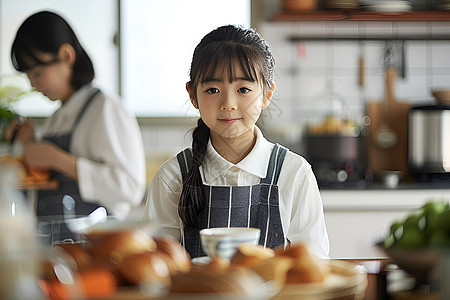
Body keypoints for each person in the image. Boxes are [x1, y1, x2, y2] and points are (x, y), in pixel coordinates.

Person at [145, 24, 329, 259]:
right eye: (212, 90)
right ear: (193, 95)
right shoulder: (172, 177)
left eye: (243, 89)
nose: (228, 103)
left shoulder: (293, 173)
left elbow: (314, 263)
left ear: (266, 94)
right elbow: (158, 264)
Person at [7, 11, 146, 238]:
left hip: (94, 249)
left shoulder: (105, 108)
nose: (33, 84)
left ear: (66, 56)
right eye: (28, 76)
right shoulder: (56, 118)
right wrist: (29, 143)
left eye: (38, 72)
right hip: (56, 249)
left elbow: (130, 188)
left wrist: (56, 159)